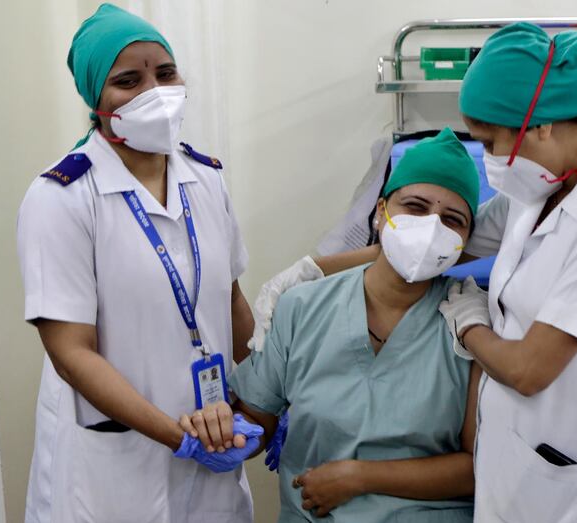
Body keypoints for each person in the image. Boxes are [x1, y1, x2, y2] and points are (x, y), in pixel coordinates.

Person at [256, 22, 577, 523]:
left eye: (490, 140)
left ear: (541, 124)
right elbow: (433, 244)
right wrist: (310, 270)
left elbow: (528, 370)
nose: (490, 158)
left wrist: (469, 324)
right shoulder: (544, 186)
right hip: (515, 460)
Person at [16, 4, 258, 521]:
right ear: (96, 100)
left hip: (212, 445)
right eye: (129, 80)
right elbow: (71, 355)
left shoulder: (207, 178)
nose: (154, 90)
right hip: (113, 469)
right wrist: (181, 437)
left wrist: (262, 401)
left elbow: (231, 301)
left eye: (165, 73)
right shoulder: (61, 197)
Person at [182, 128, 482, 522]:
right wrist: (223, 429)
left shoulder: (469, 326)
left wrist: (361, 477)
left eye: (452, 220)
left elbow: (478, 466)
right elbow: (257, 417)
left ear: (465, 241)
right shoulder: (301, 308)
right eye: (415, 206)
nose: (431, 227)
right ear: (380, 211)